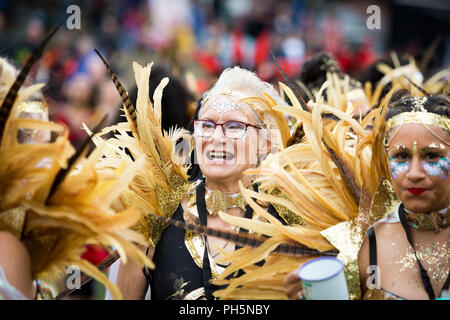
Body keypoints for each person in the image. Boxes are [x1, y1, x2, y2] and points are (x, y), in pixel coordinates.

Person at [101, 64, 295, 300]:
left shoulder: (290, 220)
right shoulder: (154, 214)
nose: (216, 138)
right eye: (207, 125)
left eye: (234, 127)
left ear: (265, 143)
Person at [284, 93, 449, 300]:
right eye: (401, 156)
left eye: (431, 156)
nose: (414, 172)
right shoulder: (361, 249)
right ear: (386, 161)